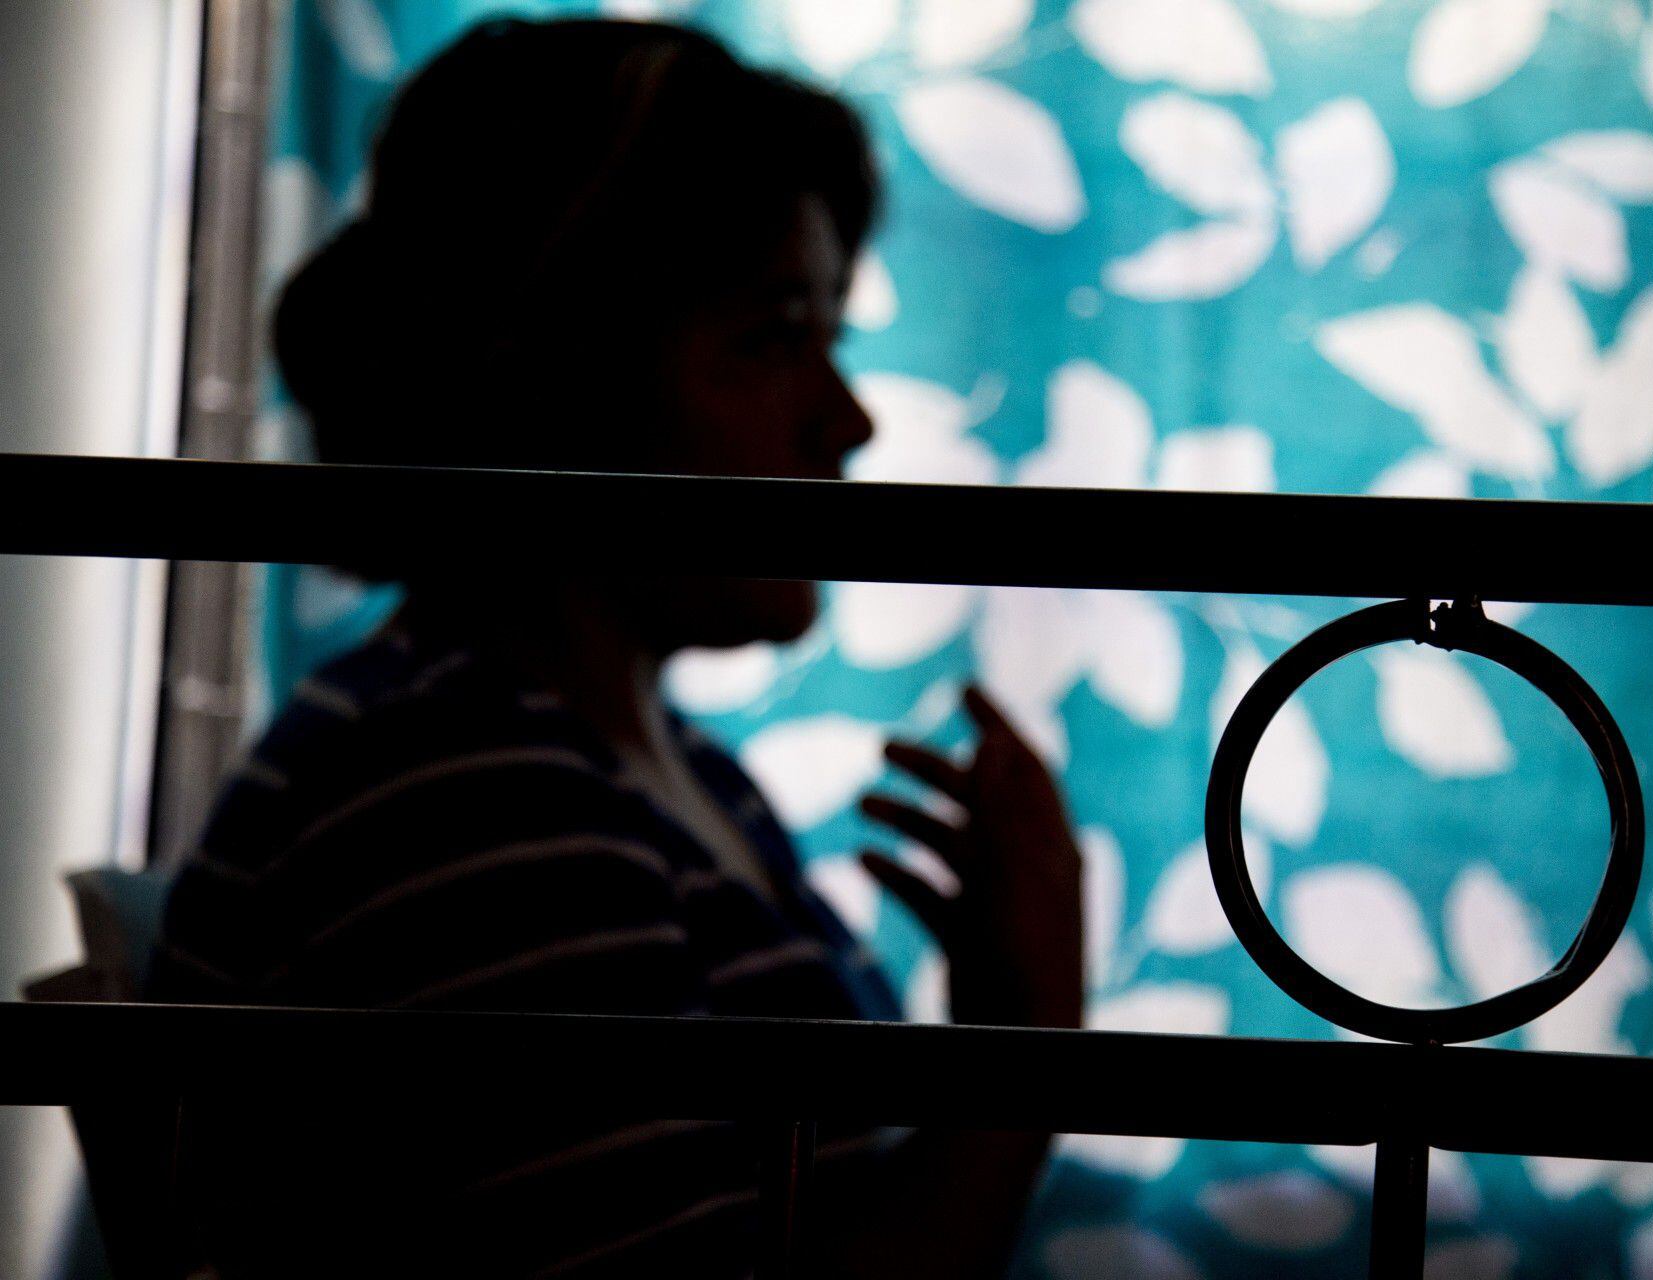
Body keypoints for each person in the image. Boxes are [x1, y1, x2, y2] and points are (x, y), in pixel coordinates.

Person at [147, 18, 1085, 1278]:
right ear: (560, 382)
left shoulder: (667, 775)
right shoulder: (461, 793)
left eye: (832, 337)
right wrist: (1024, 1055)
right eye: (772, 337)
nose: (847, 417)